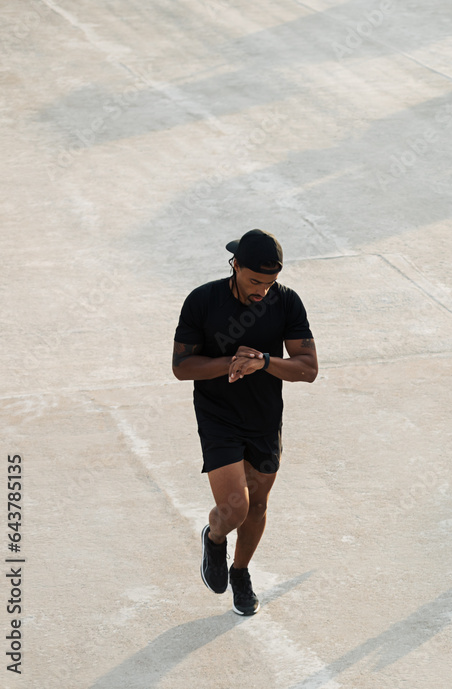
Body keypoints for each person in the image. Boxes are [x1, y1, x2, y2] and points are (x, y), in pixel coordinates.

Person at [172, 229, 318, 615]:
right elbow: (181, 367)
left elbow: (308, 369)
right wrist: (232, 362)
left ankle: (240, 572)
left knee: (256, 507)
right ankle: (215, 537)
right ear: (235, 265)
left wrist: (265, 362)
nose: (262, 291)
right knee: (234, 509)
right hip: (218, 416)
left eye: (270, 283)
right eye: (255, 281)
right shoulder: (202, 301)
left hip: (265, 418)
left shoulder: (286, 303)